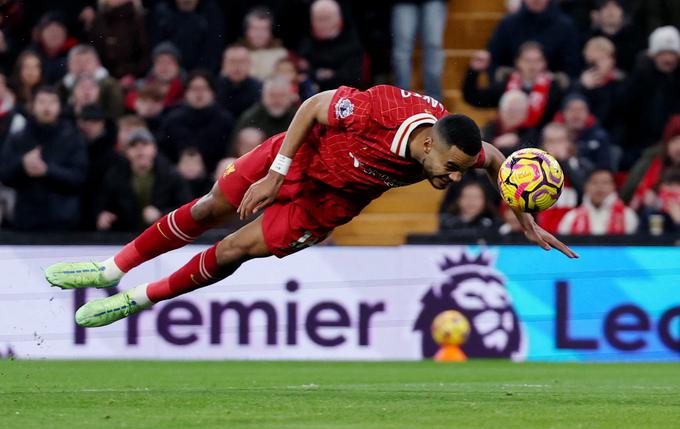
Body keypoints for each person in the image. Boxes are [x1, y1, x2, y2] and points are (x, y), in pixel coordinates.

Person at [44, 84, 576, 328]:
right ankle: (109, 267)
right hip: (296, 157)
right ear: (428, 144)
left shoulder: (453, 149)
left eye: (459, 170)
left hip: (330, 204)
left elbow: (495, 158)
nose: (455, 178)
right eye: (450, 168)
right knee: (210, 209)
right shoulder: (378, 112)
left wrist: (526, 221)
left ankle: (136, 298)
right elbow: (312, 107)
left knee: (233, 249)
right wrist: (278, 173)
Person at [0, 87, 87, 231]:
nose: (47, 107)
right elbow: (4, 174)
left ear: (59, 106)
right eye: (41, 102)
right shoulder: (19, 137)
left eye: (52, 102)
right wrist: (22, 164)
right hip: (26, 221)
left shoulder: (73, 138)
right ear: (32, 106)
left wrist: (48, 170)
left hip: (64, 222)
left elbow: (79, 177)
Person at [95, 128, 192, 232]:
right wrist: (102, 215)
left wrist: (161, 214)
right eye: (133, 146)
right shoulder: (114, 176)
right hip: (126, 236)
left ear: (154, 148)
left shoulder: (171, 174)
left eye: (145, 144)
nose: (139, 150)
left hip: (164, 235)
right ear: (126, 152)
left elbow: (185, 209)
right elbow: (103, 204)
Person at [464, 41, 569, 128]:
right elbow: (473, 98)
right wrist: (474, 71)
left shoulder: (555, 89)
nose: (532, 66)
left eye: (538, 60)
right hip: (506, 140)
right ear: (518, 62)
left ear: (545, 63)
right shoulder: (505, 85)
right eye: (527, 60)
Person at [619, 25, 680, 168]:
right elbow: (624, 106)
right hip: (639, 143)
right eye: (663, 53)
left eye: (672, 54)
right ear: (653, 54)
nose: (668, 59)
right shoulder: (640, 75)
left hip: (673, 143)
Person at [157, 70, 234, 172]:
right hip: (178, 175)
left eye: (203, 89)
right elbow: (164, 152)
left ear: (212, 92)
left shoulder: (225, 120)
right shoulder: (173, 120)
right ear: (186, 93)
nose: (199, 94)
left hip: (215, 177)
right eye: (194, 89)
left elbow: (228, 152)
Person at [485, 0, 581, 77]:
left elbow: (571, 66)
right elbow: (494, 59)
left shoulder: (565, 26)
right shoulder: (508, 24)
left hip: (554, 92)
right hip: (511, 89)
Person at [297, 0, 364, 91]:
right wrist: (328, 74)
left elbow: (351, 78)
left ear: (339, 19)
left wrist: (318, 75)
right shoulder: (305, 44)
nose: (323, 24)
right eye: (319, 19)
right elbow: (301, 75)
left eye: (327, 18)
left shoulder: (352, 44)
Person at [391, 0, 448, 101]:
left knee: (432, 46)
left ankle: (434, 102)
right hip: (403, 3)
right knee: (402, 51)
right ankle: (400, 101)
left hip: (434, 2)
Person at [76, 104, 120, 230]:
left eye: (95, 121)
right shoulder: (71, 148)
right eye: (86, 120)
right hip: (73, 214)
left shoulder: (112, 155)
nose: (89, 125)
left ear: (102, 123)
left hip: (101, 215)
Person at [151, 0, 225, 71]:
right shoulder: (162, 11)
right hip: (171, 71)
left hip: (202, 73)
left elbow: (214, 48)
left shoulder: (211, 12)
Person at [558, 169, 638, 235]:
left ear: (613, 186)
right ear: (586, 186)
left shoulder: (627, 215)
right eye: (594, 183)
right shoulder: (572, 217)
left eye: (605, 183)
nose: (599, 187)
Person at [574, 37, 626, 134]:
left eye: (601, 59)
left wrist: (601, 87)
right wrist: (583, 88)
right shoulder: (578, 85)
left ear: (612, 60)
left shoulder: (621, 83)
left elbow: (611, 115)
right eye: (592, 62)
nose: (596, 66)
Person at [59, 45, 124, 120]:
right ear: (69, 65)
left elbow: (116, 114)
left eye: (87, 61)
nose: (82, 66)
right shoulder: (61, 87)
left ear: (98, 63)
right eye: (77, 62)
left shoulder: (111, 86)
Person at [89, 0, 150, 79]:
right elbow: (95, 52)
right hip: (106, 78)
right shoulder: (98, 21)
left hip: (137, 78)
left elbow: (145, 53)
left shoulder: (138, 19)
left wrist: (133, 75)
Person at [553, 93, 616, 170]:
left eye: (581, 109)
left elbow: (604, 170)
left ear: (588, 113)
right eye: (571, 109)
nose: (576, 114)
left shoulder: (600, 137)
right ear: (563, 113)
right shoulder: (552, 135)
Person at [587, 0, 645, 73]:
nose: (610, 11)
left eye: (616, 7)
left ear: (622, 12)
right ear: (599, 13)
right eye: (605, 7)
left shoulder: (634, 36)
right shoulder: (591, 37)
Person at [482, 90, 539, 155]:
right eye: (510, 109)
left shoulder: (530, 132)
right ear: (501, 111)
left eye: (518, 111)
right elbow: (484, 151)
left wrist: (495, 146)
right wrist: (498, 143)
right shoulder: (491, 126)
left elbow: (524, 155)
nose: (513, 115)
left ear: (525, 114)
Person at [241, 7, 289, 81]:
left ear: (271, 32)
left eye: (264, 29)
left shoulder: (282, 54)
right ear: (247, 31)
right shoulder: (236, 54)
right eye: (255, 29)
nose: (259, 34)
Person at [216, 44, 262, 120]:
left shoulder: (259, 88)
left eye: (241, 61)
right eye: (232, 62)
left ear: (249, 64)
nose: (237, 66)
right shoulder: (213, 88)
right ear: (224, 64)